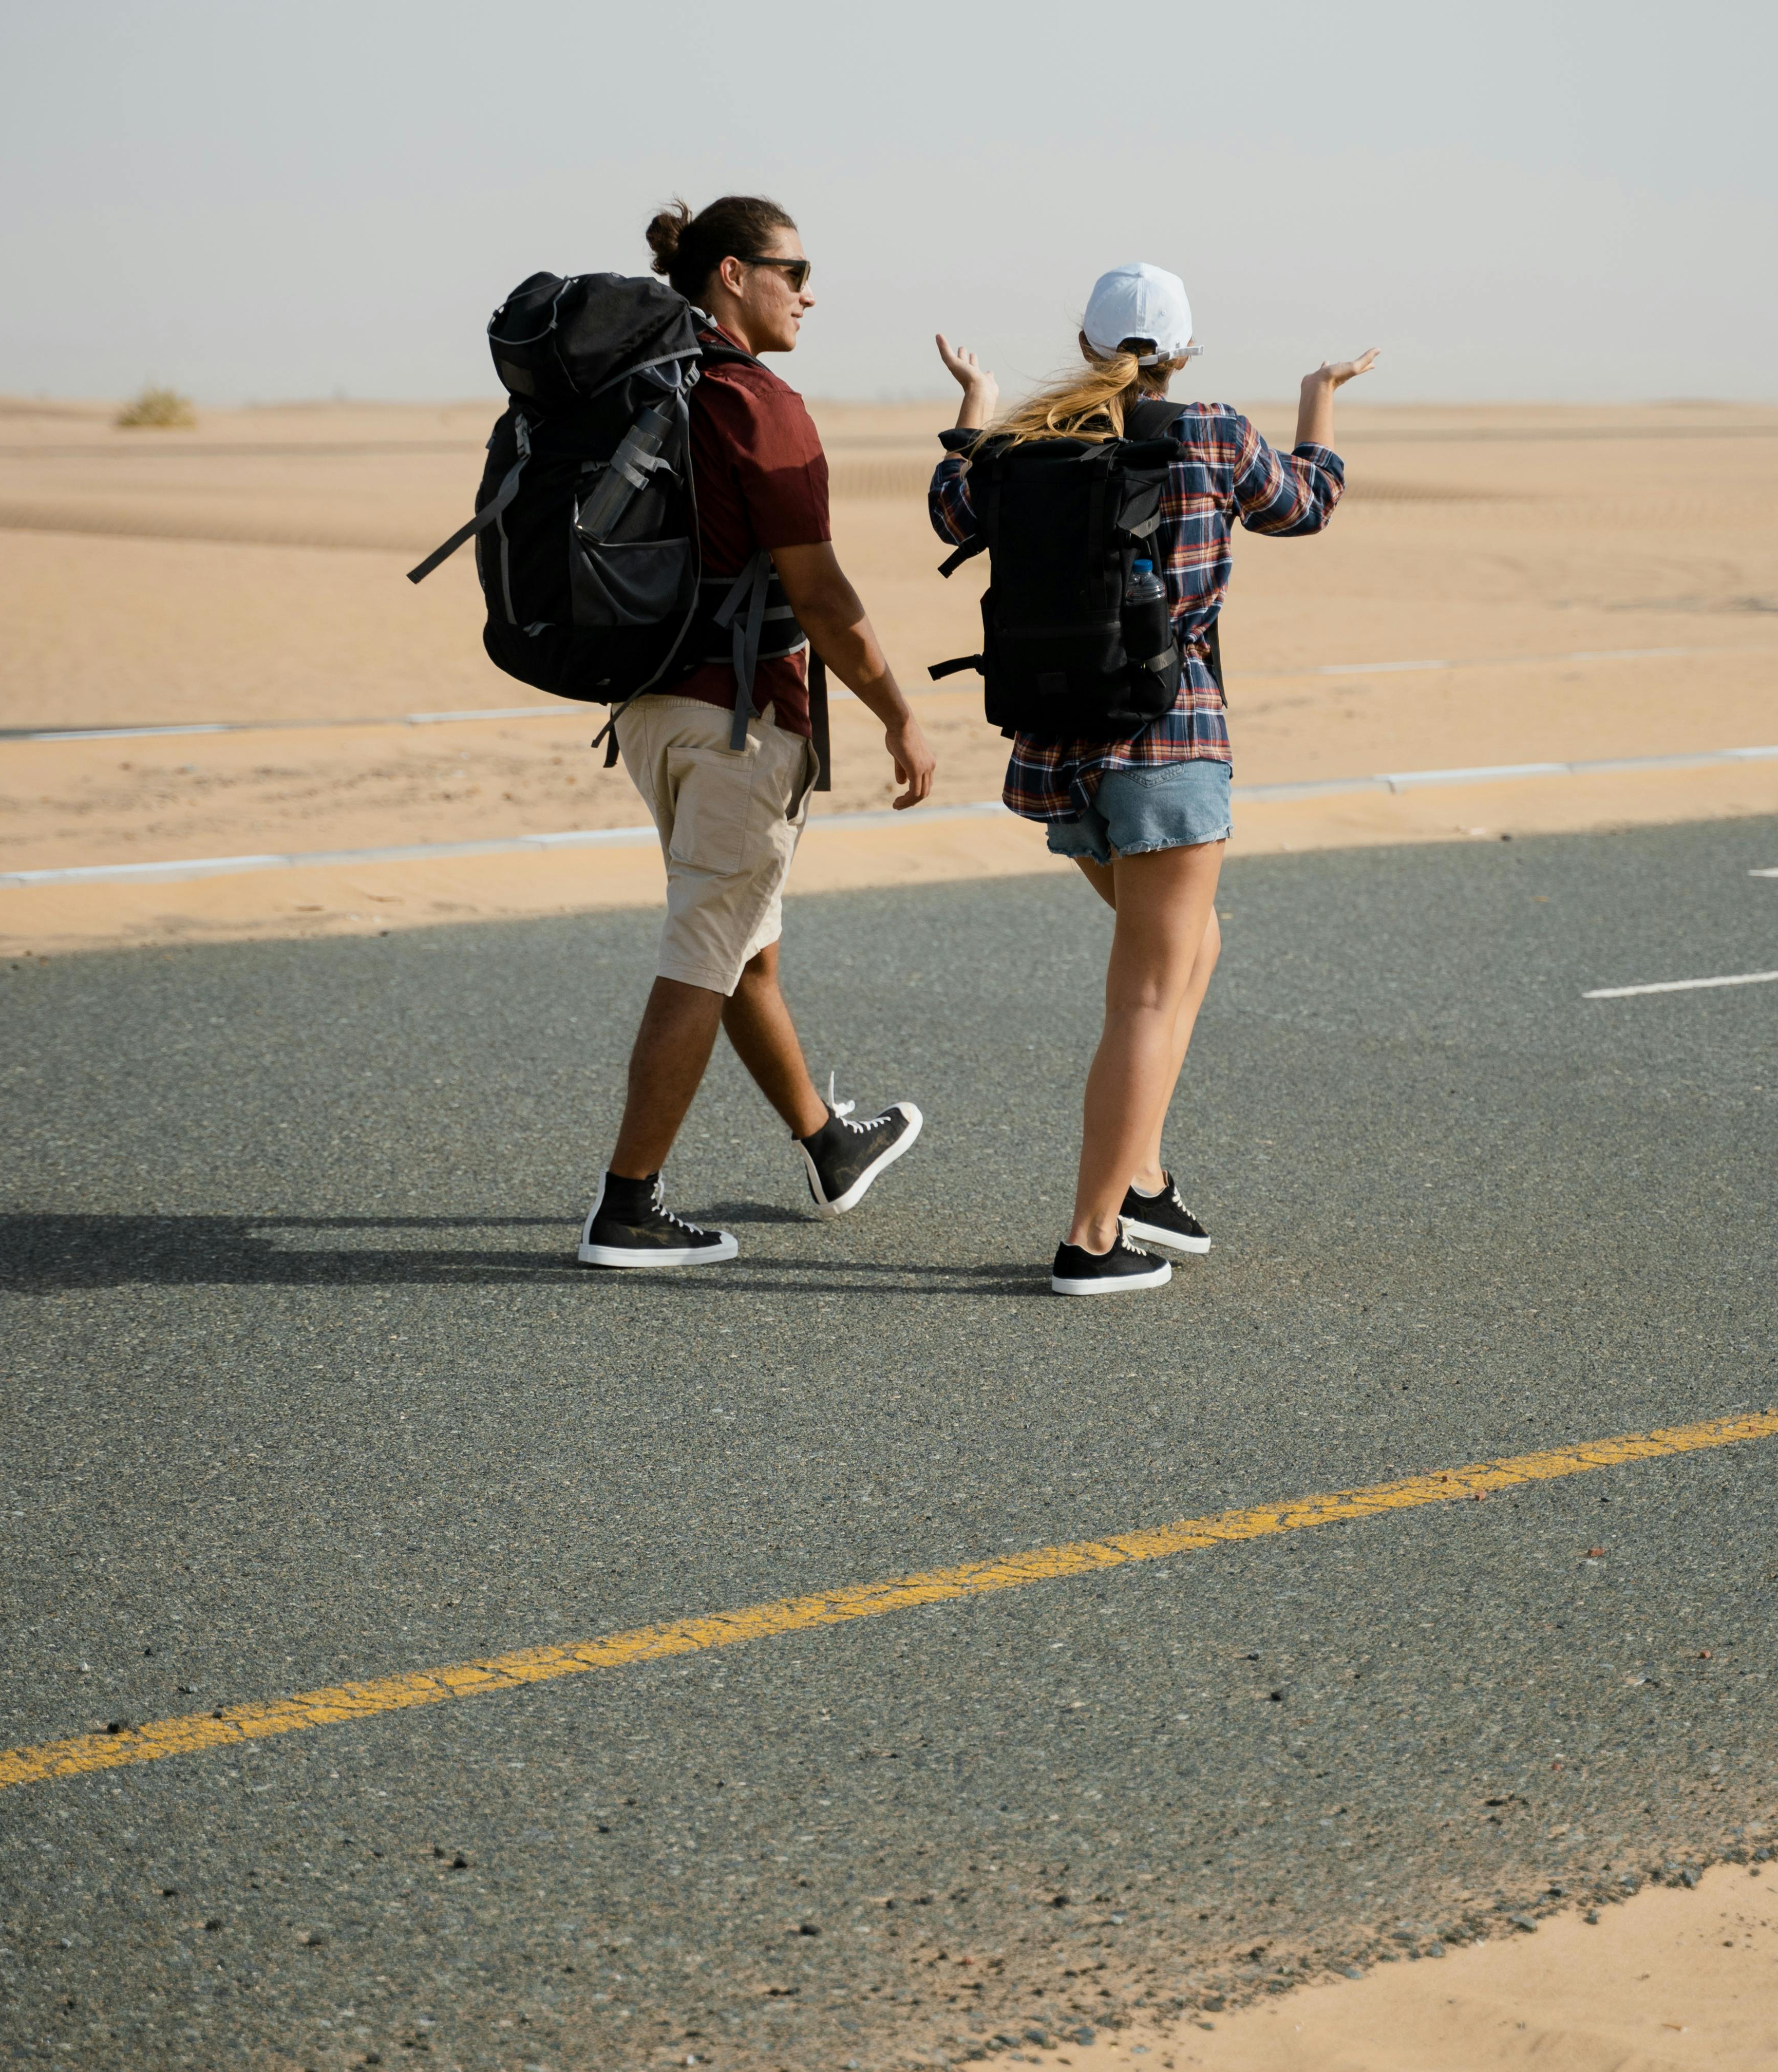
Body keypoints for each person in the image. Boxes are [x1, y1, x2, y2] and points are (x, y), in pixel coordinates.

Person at [930, 263, 1376, 1295]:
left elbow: (953, 509)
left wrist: (978, 404)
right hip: (1169, 744)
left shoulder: (1032, 437)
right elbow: (1305, 505)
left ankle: (1142, 1176)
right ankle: (1092, 1237)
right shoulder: (1210, 431)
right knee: (1144, 992)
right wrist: (1320, 404)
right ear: (1183, 351)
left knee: (1192, 947)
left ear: (1088, 344)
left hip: (1057, 747)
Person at [579, 194, 939, 1270]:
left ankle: (827, 1144)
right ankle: (627, 1209)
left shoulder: (645, 391)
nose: (809, 292)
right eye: (794, 271)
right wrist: (899, 714)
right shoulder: (753, 400)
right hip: (737, 717)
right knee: (705, 947)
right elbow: (820, 595)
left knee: (743, 940)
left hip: (650, 705)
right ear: (732, 274)